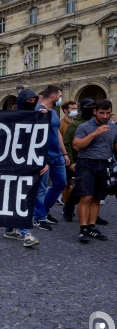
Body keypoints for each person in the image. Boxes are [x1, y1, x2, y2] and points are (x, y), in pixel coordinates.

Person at [3, 89, 43, 247]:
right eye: (29, 101)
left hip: (30, 162)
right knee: (19, 195)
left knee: (24, 195)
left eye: (34, 101)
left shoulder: (37, 117)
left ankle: (10, 228)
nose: (31, 104)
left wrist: (43, 160)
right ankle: (25, 231)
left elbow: (40, 139)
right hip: (12, 163)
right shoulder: (11, 118)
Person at [72, 99, 117, 242]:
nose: (105, 116)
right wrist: (95, 133)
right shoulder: (84, 127)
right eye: (102, 113)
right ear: (95, 112)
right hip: (86, 164)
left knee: (97, 199)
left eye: (108, 113)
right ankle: (83, 229)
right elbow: (77, 146)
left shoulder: (113, 127)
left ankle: (92, 227)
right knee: (86, 197)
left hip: (104, 164)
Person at [62, 99, 109, 226]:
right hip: (81, 160)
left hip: (97, 160)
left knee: (93, 192)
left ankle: (92, 215)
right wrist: (71, 161)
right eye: (88, 107)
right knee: (82, 190)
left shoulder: (99, 122)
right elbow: (68, 144)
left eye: (93, 106)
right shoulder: (76, 125)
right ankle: (69, 206)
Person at [33, 85, 69, 231]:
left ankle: (45, 210)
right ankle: (39, 217)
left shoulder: (54, 112)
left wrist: (64, 153)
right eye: (60, 96)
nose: (60, 98)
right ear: (53, 96)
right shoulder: (36, 111)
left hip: (57, 155)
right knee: (41, 188)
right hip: (43, 156)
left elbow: (57, 133)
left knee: (61, 183)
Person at [58, 100, 78, 206]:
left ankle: (69, 200)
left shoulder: (77, 123)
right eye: (73, 109)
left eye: (76, 108)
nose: (75, 111)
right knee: (67, 182)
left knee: (80, 181)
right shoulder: (61, 124)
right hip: (65, 156)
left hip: (77, 156)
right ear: (66, 111)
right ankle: (66, 204)